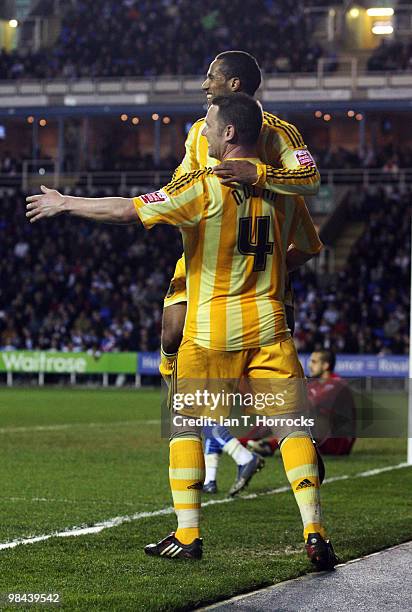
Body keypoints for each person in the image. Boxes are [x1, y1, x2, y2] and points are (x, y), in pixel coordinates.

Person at [26, 93, 337, 570]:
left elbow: (129, 210)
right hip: (270, 326)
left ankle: (188, 534)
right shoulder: (286, 190)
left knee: (186, 426)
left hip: (210, 330)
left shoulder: (204, 185)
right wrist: (270, 274)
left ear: (230, 133)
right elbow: (309, 248)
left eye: (210, 124)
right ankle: (315, 532)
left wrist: (66, 202)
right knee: (292, 427)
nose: (204, 131)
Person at [160, 50, 318, 495]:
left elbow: (309, 179)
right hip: (207, 253)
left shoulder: (279, 132)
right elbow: (180, 181)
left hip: (259, 257)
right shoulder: (197, 133)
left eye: (211, 76)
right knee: (171, 329)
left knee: (268, 377)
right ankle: (178, 382)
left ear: (234, 85)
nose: (203, 83)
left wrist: (259, 174)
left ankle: (290, 441)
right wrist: (164, 204)